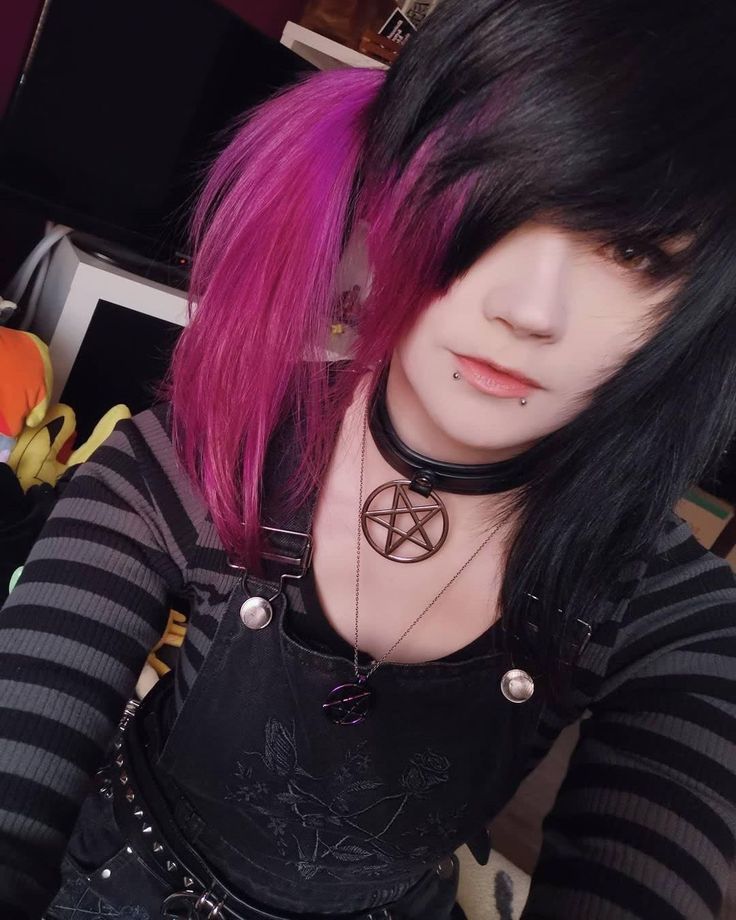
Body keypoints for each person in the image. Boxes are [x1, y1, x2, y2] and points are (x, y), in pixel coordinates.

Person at [2, 0, 736, 917]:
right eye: (492, 194)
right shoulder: (188, 458)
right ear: (389, 188)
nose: (529, 310)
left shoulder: (680, 623)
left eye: (631, 249)